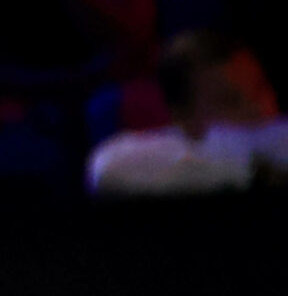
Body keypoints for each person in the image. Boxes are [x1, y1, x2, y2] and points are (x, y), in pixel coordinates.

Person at [89, 30, 288, 196]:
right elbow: (108, 169)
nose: (258, 108)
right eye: (231, 101)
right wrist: (257, 170)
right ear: (183, 117)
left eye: (260, 89)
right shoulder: (167, 153)